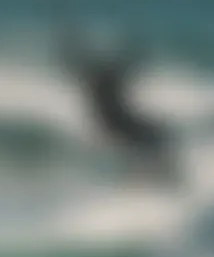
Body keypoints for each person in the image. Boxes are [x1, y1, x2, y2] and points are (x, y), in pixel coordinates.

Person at [57, 21, 177, 183]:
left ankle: (159, 176)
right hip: (114, 123)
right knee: (154, 137)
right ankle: (160, 177)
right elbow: (77, 58)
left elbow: (77, 57)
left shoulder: (98, 76)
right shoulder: (100, 77)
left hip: (117, 121)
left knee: (158, 135)